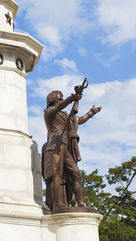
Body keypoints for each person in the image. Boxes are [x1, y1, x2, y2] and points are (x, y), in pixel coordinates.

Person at [42, 84, 101, 212]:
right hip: (54, 146)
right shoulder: (49, 113)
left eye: (62, 98)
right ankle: (58, 204)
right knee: (56, 175)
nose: (61, 101)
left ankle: (81, 203)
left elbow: (77, 120)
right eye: (59, 99)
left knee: (77, 174)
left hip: (64, 147)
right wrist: (72, 98)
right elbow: (60, 106)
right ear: (52, 100)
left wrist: (91, 112)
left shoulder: (64, 116)